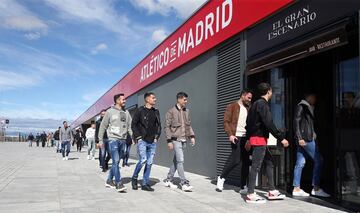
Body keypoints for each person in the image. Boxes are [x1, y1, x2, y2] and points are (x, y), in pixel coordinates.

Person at [245, 83, 289, 204]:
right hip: (259, 139)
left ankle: (272, 191)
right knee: (256, 166)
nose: (272, 93)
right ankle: (250, 194)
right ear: (269, 91)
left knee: (270, 162)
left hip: (256, 138)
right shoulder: (263, 105)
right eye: (271, 91)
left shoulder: (254, 105)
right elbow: (269, 123)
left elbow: (248, 123)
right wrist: (281, 138)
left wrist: (249, 139)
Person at [292, 93, 330, 197]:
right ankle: (316, 188)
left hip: (305, 139)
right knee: (319, 160)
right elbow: (296, 122)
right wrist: (300, 137)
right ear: (309, 97)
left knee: (300, 163)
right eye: (314, 97)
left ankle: (296, 189)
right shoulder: (302, 106)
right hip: (306, 139)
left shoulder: (308, 107)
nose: (315, 100)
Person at [216, 89, 253, 194]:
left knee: (246, 162)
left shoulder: (249, 108)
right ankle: (221, 177)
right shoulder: (231, 106)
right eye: (248, 97)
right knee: (236, 160)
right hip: (236, 136)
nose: (250, 100)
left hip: (246, 137)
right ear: (242, 95)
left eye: (251, 98)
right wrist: (230, 135)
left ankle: (243, 186)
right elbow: (226, 122)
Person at [98, 93, 133, 192]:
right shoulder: (110, 112)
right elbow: (103, 126)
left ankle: (109, 180)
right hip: (113, 139)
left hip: (123, 140)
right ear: (117, 101)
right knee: (116, 161)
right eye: (123, 99)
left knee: (116, 162)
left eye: (124, 99)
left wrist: (133, 136)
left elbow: (129, 126)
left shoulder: (126, 112)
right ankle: (118, 183)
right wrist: (100, 140)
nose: (125, 101)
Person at [163, 92, 196, 191]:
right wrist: (169, 141)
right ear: (179, 99)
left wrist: (192, 136)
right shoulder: (171, 112)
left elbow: (188, 125)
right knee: (180, 160)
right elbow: (167, 127)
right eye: (185, 99)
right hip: (175, 139)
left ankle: (168, 180)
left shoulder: (187, 111)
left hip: (184, 139)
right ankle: (184, 183)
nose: (186, 101)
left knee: (176, 161)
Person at [131, 92, 161, 192]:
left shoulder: (156, 111)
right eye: (153, 98)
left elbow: (159, 125)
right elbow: (133, 124)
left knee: (149, 163)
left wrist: (157, 137)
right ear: (147, 99)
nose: (155, 99)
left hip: (152, 141)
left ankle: (145, 183)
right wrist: (138, 137)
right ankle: (134, 178)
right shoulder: (140, 110)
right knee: (143, 160)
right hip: (143, 140)